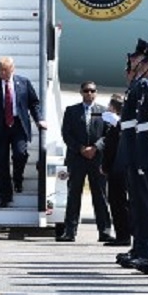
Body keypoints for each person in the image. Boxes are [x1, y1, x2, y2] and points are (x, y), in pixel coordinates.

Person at [0, 57, 47, 208]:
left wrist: (39, 119)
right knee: (1, 162)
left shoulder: (24, 82)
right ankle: (4, 196)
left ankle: (18, 178)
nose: (4, 73)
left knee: (20, 154)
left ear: (12, 69)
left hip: (18, 125)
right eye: (1, 70)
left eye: (6, 70)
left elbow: (34, 103)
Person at [58, 81, 112, 242]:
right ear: (81, 92)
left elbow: (108, 134)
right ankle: (70, 231)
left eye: (92, 91)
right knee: (74, 195)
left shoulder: (104, 112)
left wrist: (95, 147)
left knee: (100, 196)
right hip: (77, 158)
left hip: (97, 159)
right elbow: (66, 134)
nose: (89, 93)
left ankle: (105, 231)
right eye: (86, 91)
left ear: (96, 92)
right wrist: (81, 148)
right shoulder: (72, 111)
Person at [99, 93, 131, 247]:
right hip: (115, 167)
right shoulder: (115, 124)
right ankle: (122, 235)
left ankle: (123, 236)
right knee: (117, 202)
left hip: (118, 168)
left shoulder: (118, 124)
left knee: (118, 202)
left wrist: (105, 166)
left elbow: (111, 148)